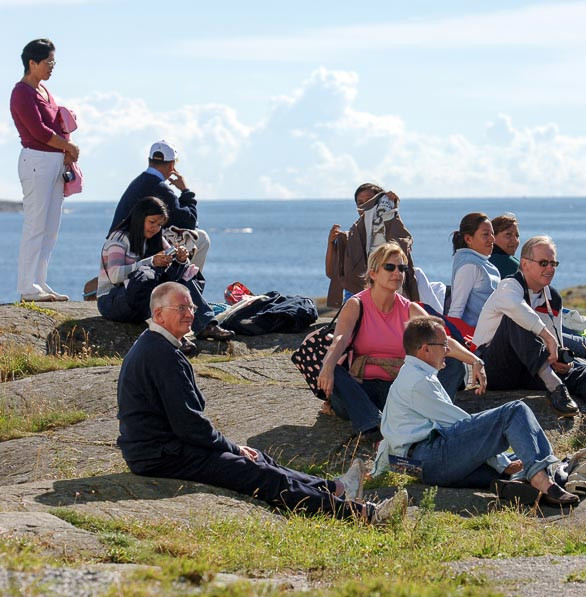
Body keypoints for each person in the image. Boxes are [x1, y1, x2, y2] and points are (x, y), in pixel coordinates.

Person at [117, 282, 408, 523]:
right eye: (181, 308)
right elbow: (189, 424)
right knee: (257, 472)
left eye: (191, 306)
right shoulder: (161, 355)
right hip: (161, 455)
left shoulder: (156, 345)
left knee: (258, 458)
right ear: (158, 314)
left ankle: (336, 488)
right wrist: (232, 448)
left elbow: (185, 422)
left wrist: (236, 449)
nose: (190, 313)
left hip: (168, 448)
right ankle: (364, 515)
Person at [373, 316, 578, 505]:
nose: (447, 349)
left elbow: (390, 432)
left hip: (423, 466)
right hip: (430, 458)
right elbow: (458, 424)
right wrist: (502, 462)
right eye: (444, 345)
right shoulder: (419, 381)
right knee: (514, 412)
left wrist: (378, 470)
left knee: (522, 454)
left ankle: (517, 481)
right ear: (425, 350)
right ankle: (541, 481)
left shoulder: (409, 374)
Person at [318, 242, 486, 438]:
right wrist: (328, 366)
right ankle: (374, 425)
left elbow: (443, 340)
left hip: (399, 391)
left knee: (455, 366)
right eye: (389, 267)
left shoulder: (409, 309)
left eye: (401, 268)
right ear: (373, 273)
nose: (397, 273)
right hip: (364, 390)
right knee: (336, 372)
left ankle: (434, 415)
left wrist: (475, 361)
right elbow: (340, 337)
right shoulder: (357, 304)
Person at [472, 235, 586, 417]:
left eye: (554, 263)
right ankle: (555, 386)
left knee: (583, 372)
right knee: (515, 319)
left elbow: (555, 343)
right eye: (543, 263)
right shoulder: (509, 286)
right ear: (525, 264)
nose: (550, 268)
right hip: (495, 368)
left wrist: (561, 361)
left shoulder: (553, 298)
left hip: (532, 367)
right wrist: (548, 338)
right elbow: (516, 308)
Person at [97, 196, 234, 343]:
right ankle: (173, 338)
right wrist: (151, 261)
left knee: (181, 280)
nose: (155, 228)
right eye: (152, 222)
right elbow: (114, 275)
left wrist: (181, 259)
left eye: (159, 224)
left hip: (139, 299)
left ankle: (206, 326)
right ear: (139, 218)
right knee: (156, 286)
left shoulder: (156, 237)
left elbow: (174, 266)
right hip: (113, 300)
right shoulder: (119, 238)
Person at [11, 39, 79, 302]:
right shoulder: (21, 93)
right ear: (32, 63)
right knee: (35, 224)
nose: (52, 67)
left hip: (52, 161)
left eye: (53, 62)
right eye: (48, 62)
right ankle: (27, 286)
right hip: (36, 161)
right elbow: (38, 131)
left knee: (50, 226)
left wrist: (65, 149)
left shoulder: (45, 92)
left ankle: (39, 282)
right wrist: (69, 147)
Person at [110, 140, 211, 271]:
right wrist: (186, 191)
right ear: (171, 166)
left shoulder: (139, 182)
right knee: (201, 238)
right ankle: (189, 283)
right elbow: (189, 222)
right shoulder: (160, 188)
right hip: (136, 247)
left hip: (117, 244)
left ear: (149, 160)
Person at [325, 184, 419, 307]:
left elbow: (401, 245)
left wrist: (392, 207)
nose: (364, 206)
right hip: (355, 300)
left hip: (387, 300)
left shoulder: (390, 231)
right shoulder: (351, 237)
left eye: (369, 200)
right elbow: (331, 273)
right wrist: (331, 243)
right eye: (360, 202)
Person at [448, 212, 500, 328]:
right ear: (468, 239)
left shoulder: (481, 263)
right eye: (486, 234)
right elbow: (456, 310)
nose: (492, 239)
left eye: (492, 234)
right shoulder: (469, 266)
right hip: (479, 336)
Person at [488, 213, 520, 279]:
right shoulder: (508, 263)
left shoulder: (481, 258)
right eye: (508, 234)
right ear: (493, 237)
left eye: (517, 236)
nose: (515, 240)